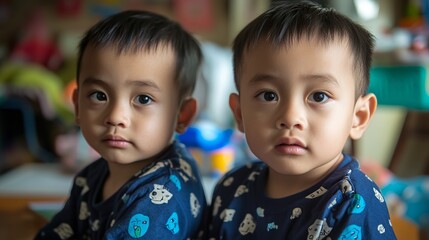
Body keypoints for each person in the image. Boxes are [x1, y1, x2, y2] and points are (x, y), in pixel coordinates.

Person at [206, 1, 397, 239]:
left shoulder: (351, 203)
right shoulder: (232, 188)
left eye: (319, 96)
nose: (289, 117)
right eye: (269, 95)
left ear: (358, 117)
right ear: (240, 113)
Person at [35, 10, 207, 239]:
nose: (115, 116)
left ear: (182, 115)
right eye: (99, 95)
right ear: (77, 106)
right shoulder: (92, 176)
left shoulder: (162, 197)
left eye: (143, 99)